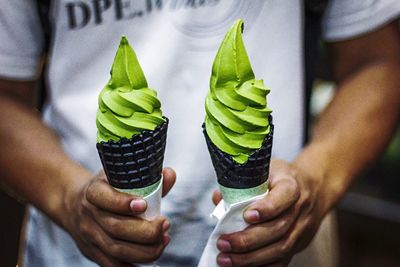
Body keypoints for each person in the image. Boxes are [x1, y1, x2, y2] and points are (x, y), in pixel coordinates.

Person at [0, 0, 399, 266]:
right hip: (71, 250)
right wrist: (69, 198)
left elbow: (377, 62)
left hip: (286, 243)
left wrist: (317, 178)